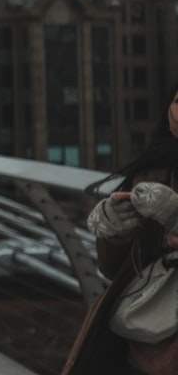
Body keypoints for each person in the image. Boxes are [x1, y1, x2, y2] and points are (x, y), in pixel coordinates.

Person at [64, 84, 178, 375]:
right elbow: (114, 269)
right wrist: (114, 232)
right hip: (146, 346)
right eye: (177, 101)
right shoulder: (155, 172)